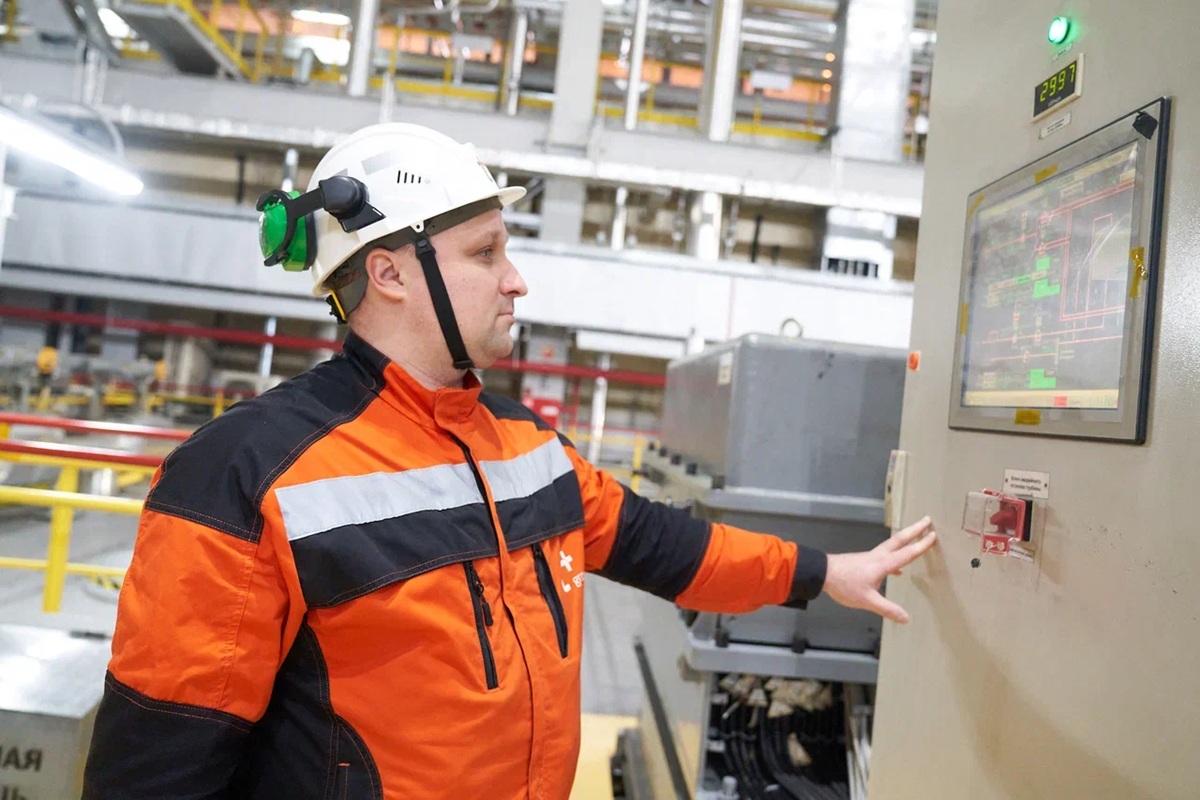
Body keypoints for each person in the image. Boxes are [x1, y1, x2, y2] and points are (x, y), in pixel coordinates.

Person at [81, 123, 936, 800]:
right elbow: (159, 760)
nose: (516, 279)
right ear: (390, 273)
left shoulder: (525, 446)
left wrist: (822, 572)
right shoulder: (248, 472)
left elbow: (662, 545)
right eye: (485, 253)